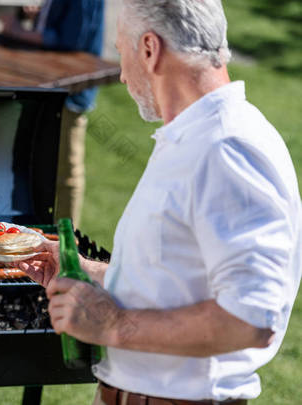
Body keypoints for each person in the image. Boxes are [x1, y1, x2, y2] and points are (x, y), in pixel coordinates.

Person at [18, 1, 302, 404]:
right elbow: (178, 276)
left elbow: (250, 319)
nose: (120, 72)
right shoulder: (193, 136)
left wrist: (113, 324)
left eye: (121, 53)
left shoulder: (227, 147)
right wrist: (92, 272)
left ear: (149, 49)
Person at [1, 0, 105, 227]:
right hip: (49, 86)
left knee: (67, 172)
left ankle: (68, 239)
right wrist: (38, 16)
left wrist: (17, 31)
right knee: (38, 163)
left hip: (70, 93)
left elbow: (70, 42)